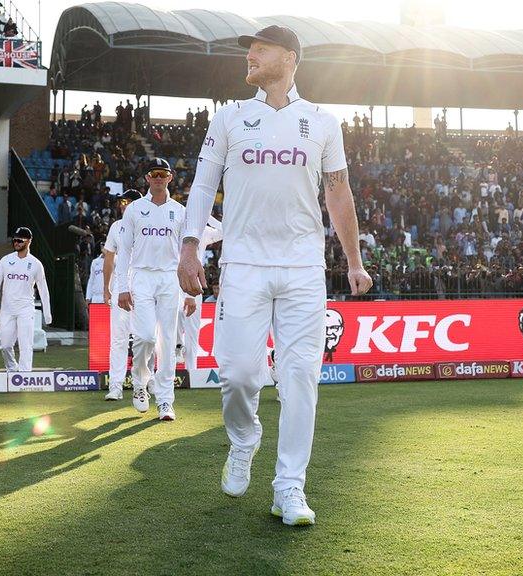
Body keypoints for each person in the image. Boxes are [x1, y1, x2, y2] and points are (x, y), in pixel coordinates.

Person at [178, 25, 371, 526]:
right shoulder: (229, 118)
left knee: (301, 377)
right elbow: (202, 186)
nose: (250, 56)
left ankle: (290, 487)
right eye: (249, 50)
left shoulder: (323, 122)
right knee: (239, 374)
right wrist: (189, 246)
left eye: (259, 49)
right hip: (243, 265)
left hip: (304, 268)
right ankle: (245, 439)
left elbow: (338, 192)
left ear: (289, 57)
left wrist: (353, 260)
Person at [114, 158, 193, 422]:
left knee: (167, 342)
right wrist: (122, 287)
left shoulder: (180, 211)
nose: (158, 178)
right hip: (142, 277)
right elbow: (124, 251)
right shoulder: (134, 210)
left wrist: (191, 292)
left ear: (170, 178)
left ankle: (166, 400)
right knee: (146, 337)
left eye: (163, 174)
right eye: (154, 174)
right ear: (147, 178)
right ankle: (139, 384)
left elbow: (188, 255)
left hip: (169, 278)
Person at [0, 227, 52, 372]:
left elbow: (44, 290)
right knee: (5, 345)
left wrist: (47, 315)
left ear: (29, 241)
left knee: (25, 344)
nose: (16, 242)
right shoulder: (6, 260)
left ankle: (24, 375)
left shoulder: (36, 264)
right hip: (7, 309)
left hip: (26, 308)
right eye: (14, 239)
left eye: (19, 240)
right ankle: (11, 368)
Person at [101, 188, 141, 400]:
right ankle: (115, 386)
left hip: (144, 286)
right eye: (121, 201)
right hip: (120, 286)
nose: (122, 205)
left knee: (144, 337)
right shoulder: (116, 227)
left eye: (126, 201)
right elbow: (109, 259)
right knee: (118, 338)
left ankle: (144, 382)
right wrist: (106, 288)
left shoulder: (148, 224)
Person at [176, 216, 221, 369]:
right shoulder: (175, 228)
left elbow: (224, 230)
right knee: (176, 314)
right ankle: (177, 345)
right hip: (173, 282)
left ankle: (191, 370)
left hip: (195, 286)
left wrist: (207, 215)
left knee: (192, 330)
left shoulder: (204, 232)